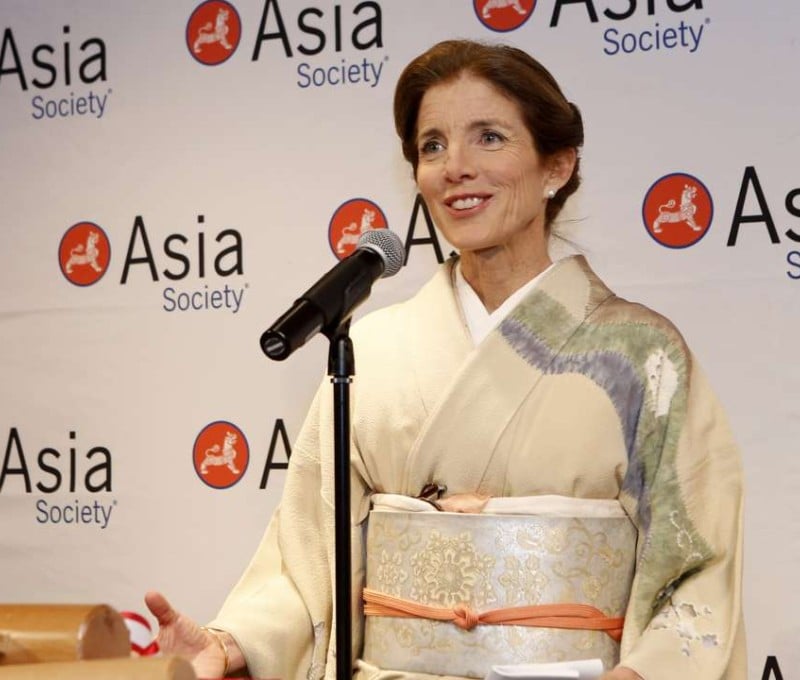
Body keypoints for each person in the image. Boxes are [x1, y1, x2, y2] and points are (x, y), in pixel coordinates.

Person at [145, 39, 745, 680]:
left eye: (489, 138)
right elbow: (311, 558)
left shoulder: (640, 355)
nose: (455, 166)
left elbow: (698, 564)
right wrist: (232, 644)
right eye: (432, 146)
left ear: (557, 166)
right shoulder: (370, 351)